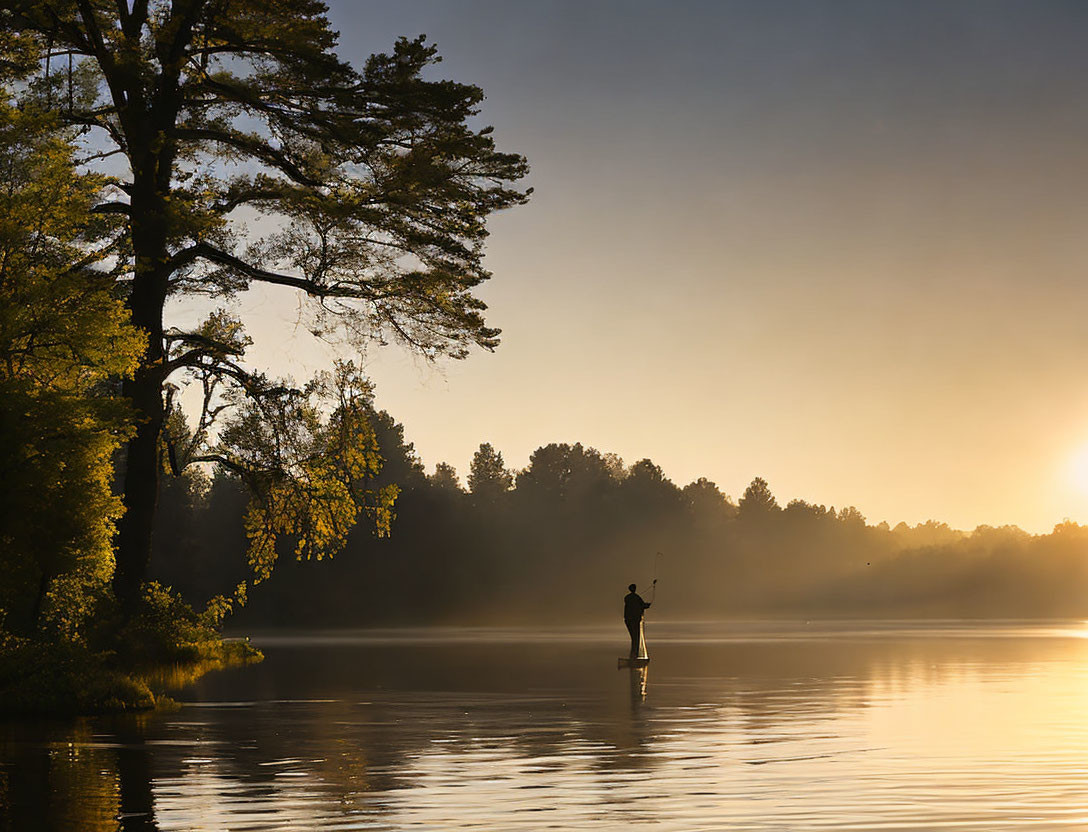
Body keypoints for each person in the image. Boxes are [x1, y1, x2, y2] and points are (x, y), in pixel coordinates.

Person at [623, 583, 651, 658]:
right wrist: (647, 605)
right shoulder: (636, 597)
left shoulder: (627, 597)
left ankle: (633, 655)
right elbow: (642, 605)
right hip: (635, 620)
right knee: (636, 638)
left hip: (628, 620)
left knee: (633, 637)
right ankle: (635, 656)